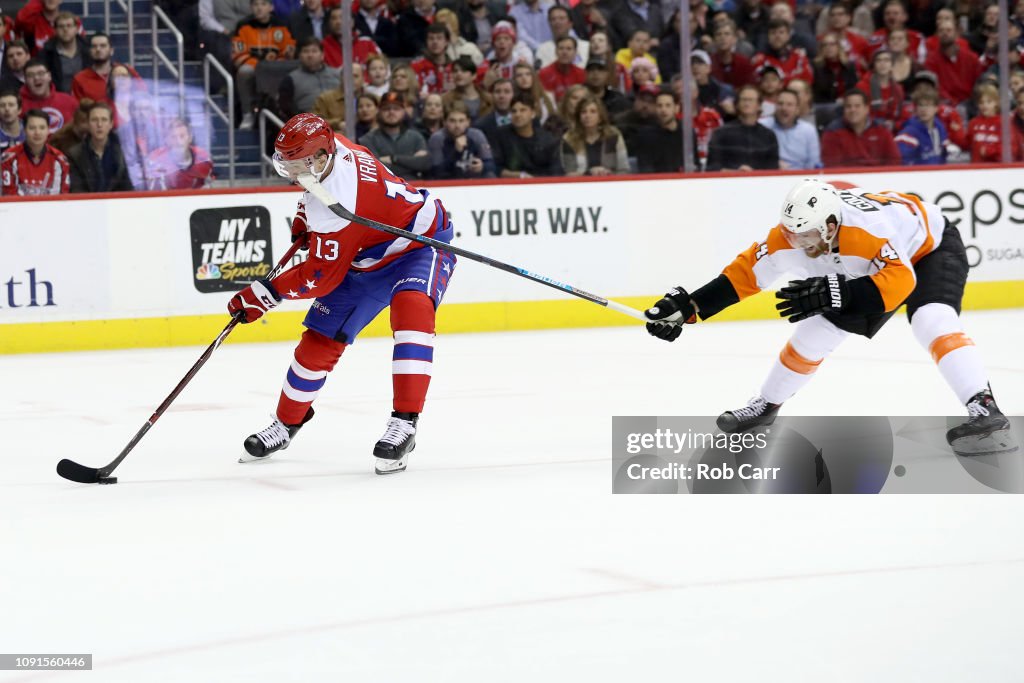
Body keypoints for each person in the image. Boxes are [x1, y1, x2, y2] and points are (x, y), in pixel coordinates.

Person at [643, 179, 1013, 456]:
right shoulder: (788, 236)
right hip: (869, 265)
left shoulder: (867, 234)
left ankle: (984, 407)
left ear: (831, 225)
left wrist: (840, 292)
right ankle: (766, 407)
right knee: (814, 333)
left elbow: (901, 284)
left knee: (931, 318)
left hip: (928, 248)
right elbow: (742, 277)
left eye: (805, 235)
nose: (796, 243)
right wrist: (690, 308)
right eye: (791, 233)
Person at [229, 112, 458, 475]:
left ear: (321, 157)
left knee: (412, 313)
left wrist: (265, 293)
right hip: (364, 255)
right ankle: (287, 423)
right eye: (285, 163)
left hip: (417, 246)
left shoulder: (340, 205)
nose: (290, 172)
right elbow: (317, 195)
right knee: (319, 340)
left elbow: (319, 278)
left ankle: (405, 424)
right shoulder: (333, 149)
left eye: (296, 165)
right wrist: (305, 210)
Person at [230, 0, 296, 129]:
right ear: (251, 7)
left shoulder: (282, 24)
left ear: (271, 7)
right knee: (244, 71)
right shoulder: (243, 26)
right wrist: (261, 66)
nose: (259, 8)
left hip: (277, 66)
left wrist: (274, 64)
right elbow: (238, 54)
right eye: (255, 5)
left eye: (263, 4)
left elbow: (289, 51)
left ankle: (286, 114)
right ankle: (247, 113)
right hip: (254, 66)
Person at [706, 84, 779, 171]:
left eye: (751, 100)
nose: (747, 103)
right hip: (729, 182)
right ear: (737, 104)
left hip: (760, 182)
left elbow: (773, 170)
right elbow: (712, 167)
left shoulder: (768, 135)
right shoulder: (721, 133)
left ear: (759, 105)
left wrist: (753, 174)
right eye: (743, 100)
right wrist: (737, 173)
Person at [360, 91, 430, 180]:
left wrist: (394, 159)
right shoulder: (367, 140)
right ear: (379, 112)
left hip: (413, 189)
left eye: (396, 109)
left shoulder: (416, 137)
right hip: (382, 188)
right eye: (386, 109)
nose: (391, 112)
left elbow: (425, 164)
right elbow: (374, 169)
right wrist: (411, 162)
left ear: (403, 112)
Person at [821, 88, 901, 167]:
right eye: (848, 106)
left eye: (857, 106)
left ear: (867, 109)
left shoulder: (882, 130)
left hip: (878, 177)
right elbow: (832, 167)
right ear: (844, 110)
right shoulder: (833, 132)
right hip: (846, 178)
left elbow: (894, 161)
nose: (853, 110)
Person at [66, 101, 132, 192]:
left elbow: (128, 187)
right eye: (94, 120)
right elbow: (77, 190)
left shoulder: (124, 151)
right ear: (88, 124)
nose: (99, 125)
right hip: (87, 204)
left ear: (111, 124)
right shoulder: (75, 154)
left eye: (104, 120)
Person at [1, 108, 69, 194]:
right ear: (24, 130)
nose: (37, 132)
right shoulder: (9, 158)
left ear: (48, 130)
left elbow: (61, 197)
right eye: (32, 128)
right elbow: (9, 195)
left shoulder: (60, 160)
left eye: (42, 128)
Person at [493, 92, 561, 177]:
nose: (517, 114)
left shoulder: (548, 140)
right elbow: (495, 168)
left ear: (533, 113)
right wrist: (519, 176)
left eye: (523, 110)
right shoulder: (500, 135)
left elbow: (556, 171)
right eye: (514, 111)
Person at [559, 94, 627, 176]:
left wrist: (608, 174)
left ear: (600, 116)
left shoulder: (613, 135)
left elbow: (624, 170)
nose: (588, 116)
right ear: (579, 116)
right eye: (583, 112)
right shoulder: (569, 139)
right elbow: (569, 173)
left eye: (593, 111)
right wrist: (589, 173)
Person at [428, 101, 495, 178]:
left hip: (474, 182)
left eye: (461, 121)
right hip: (448, 184)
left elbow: (491, 164)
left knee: (490, 175)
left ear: (468, 122)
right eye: (452, 121)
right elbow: (437, 172)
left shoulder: (476, 135)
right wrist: (456, 153)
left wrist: (482, 166)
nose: (457, 126)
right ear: (444, 122)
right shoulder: (437, 138)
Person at [143, 118, 215, 190]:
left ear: (190, 138)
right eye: (173, 137)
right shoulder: (155, 159)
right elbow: (153, 194)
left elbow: (206, 188)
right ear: (167, 140)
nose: (178, 141)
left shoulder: (203, 158)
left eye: (182, 136)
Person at [758, 87, 819, 169]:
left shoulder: (808, 130)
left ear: (797, 109)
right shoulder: (762, 125)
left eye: (789, 104)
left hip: (801, 177)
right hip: (769, 175)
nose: (784, 108)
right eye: (780, 104)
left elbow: (813, 163)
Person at [924, 21, 982, 106]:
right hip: (945, 104)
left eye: (949, 30)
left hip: (971, 104)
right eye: (941, 30)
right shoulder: (931, 61)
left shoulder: (972, 58)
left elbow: (979, 82)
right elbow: (935, 87)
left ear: (956, 33)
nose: (945, 33)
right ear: (937, 34)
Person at [279, 37, 339, 118]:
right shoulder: (290, 79)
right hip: (308, 125)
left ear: (322, 55)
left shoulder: (337, 75)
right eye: (306, 51)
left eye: (314, 51)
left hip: (341, 122)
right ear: (299, 56)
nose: (310, 55)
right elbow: (286, 108)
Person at [966, 83, 1024, 162]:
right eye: (981, 102)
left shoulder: (1005, 122)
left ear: (996, 102)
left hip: (997, 169)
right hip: (977, 169)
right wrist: (956, 131)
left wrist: (989, 151)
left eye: (989, 102)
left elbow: (1011, 149)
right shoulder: (973, 123)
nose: (984, 105)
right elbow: (966, 144)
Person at [632, 89, 684, 173]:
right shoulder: (645, 136)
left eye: (668, 105)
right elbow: (645, 168)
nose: (663, 110)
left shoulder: (686, 133)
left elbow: (694, 164)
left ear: (676, 108)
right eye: (659, 106)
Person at [19, 58, 77, 134]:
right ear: (25, 80)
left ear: (49, 76)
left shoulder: (69, 101)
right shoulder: (18, 105)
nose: (36, 78)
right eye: (30, 75)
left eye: (41, 73)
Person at [751, 18, 813, 86]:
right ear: (768, 37)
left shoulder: (799, 57)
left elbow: (807, 80)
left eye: (781, 32)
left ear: (788, 36)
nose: (777, 36)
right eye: (773, 33)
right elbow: (760, 83)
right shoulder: (760, 60)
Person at [895, 88, 949, 165]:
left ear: (936, 108)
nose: (924, 109)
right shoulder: (908, 135)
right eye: (920, 105)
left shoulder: (940, 129)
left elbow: (943, 158)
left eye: (928, 105)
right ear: (915, 109)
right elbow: (903, 164)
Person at [40, 11, 87, 93]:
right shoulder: (46, 53)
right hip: (59, 99)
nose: (65, 29)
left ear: (76, 29)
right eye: (61, 26)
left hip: (86, 98)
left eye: (69, 26)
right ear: (55, 30)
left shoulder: (88, 49)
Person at [856, 49, 903, 130]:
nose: (882, 64)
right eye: (878, 60)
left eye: (886, 60)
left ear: (892, 65)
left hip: (892, 128)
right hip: (868, 128)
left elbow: (901, 114)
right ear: (874, 65)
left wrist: (895, 124)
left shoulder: (898, 89)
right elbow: (858, 114)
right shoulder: (862, 86)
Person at [312, 62, 363, 131]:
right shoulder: (325, 99)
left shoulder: (372, 98)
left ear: (363, 79)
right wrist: (337, 124)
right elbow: (315, 123)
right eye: (348, 76)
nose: (351, 80)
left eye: (355, 76)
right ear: (341, 77)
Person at [442, 56, 493, 121]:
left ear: (474, 75)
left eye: (464, 70)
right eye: (455, 71)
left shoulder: (489, 99)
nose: (458, 74)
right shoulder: (445, 99)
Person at [538, 36, 586, 101]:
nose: (564, 52)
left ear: (575, 52)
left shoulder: (582, 74)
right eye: (561, 48)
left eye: (569, 49)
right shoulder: (544, 74)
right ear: (556, 52)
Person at [410, 23, 454, 94]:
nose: (435, 42)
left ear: (446, 42)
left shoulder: (454, 67)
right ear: (426, 42)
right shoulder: (416, 66)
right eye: (431, 38)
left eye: (439, 38)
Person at [473, 77, 514, 147]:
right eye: (497, 92)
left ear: (514, 95)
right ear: (491, 95)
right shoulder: (480, 126)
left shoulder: (526, 123)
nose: (502, 96)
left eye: (507, 92)